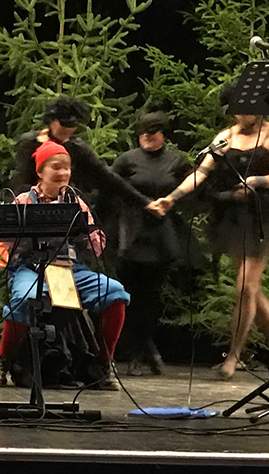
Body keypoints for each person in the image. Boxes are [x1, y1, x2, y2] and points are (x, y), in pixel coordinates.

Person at [147, 88, 269, 380]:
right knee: (251, 288)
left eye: (245, 108)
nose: (240, 115)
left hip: (262, 217)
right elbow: (201, 172)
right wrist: (172, 197)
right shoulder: (226, 137)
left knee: (245, 287)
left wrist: (258, 180)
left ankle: (233, 355)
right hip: (233, 219)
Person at [0, 141, 129, 391]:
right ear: (40, 171)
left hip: (69, 268)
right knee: (24, 298)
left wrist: (88, 231)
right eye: (55, 167)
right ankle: (2, 360)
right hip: (31, 267)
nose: (62, 172)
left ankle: (102, 363)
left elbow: (96, 248)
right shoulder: (23, 201)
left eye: (67, 167)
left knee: (115, 293)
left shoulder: (77, 202)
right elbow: (4, 244)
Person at [109, 108, 196, 375]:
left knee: (153, 297)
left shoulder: (176, 161)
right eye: (143, 133)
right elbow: (111, 187)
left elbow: (194, 185)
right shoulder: (127, 160)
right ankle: (139, 353)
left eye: (153, 132)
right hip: (132, 234)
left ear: (163, 134)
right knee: (129, 294)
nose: (148, 137)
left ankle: (146, 347)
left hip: (161, 235)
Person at [10, 96, 149, 210]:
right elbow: (20, 179)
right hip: (31, 206)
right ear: (52, 121)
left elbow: (107, 177)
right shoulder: (30, 143)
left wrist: (145, 202)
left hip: (67, 207)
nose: (67, 130)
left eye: (72, 126)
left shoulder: (77, 147)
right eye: (63, 124)